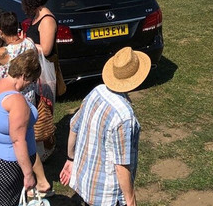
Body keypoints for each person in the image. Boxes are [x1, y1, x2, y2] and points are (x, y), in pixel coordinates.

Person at [59, 47, 149, 206]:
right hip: (108, 195)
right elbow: (121, 164)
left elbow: (74, 126)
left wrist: (70, 158)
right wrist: (130, 200)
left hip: (88, 184)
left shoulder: (97, 92)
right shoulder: (125, 117)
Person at [0, 48, 42, 206]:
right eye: (31, 81)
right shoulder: (16, 101)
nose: (29, 86)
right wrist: (28, 174)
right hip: (4, 167)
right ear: (24, 76)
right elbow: (18, 141)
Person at [21, 0, 61, 158]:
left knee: (43, 109)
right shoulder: (37, 16)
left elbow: (46, 49)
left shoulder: (47, 20)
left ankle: (46, 148)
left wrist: (26, 43)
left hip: (45, 74)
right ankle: (37, 146)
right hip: (35, 70)